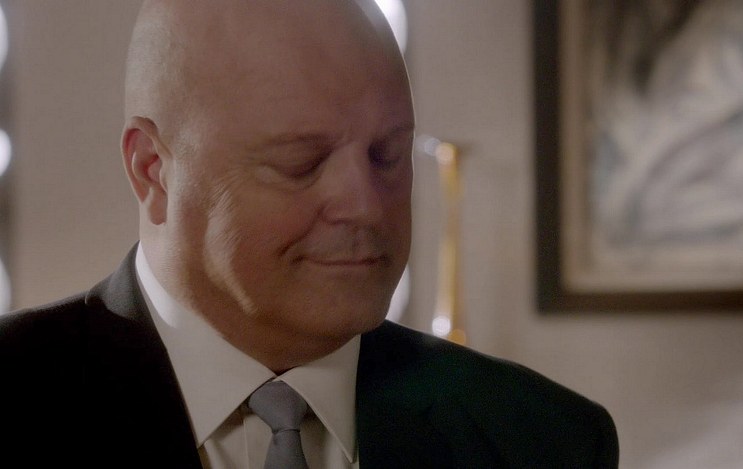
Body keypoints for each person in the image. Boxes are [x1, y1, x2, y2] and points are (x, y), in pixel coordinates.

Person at [0, 1, 618, 467]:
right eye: (300, 163)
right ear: (153, 170)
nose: (366, 206)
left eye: (388, 155)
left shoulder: (541, 439)